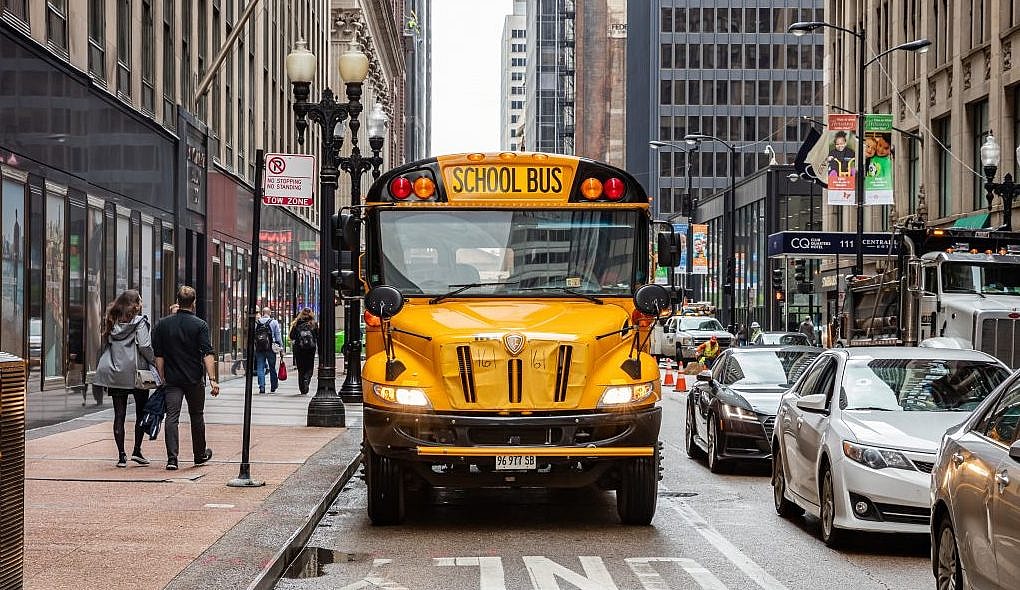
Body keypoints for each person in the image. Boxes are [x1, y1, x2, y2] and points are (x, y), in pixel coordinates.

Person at [151, 286, 219, 471]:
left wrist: (162, 376)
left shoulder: (163, 324)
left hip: (172, 379)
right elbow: (207, 352)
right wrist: (213, 378)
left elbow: (159, 355)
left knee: (171, 417)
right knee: (197, 416)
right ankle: (199, 455)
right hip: (194, 379)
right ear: (194, 303)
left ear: (178, 301)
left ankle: (172, 459)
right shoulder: (199, 325)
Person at [92, 289, 153, 468]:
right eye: (139, 301)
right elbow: (145, 345)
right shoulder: (139, 322)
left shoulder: (111, 321)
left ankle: (121, 456)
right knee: (141, 411)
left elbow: (104, 343)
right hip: (136, 373)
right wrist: (154, 363)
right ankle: (137, 450)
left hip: (115, 371)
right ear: (135, 304)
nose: (141, 304)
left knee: (119, 414)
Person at [289, 308, 319, 395]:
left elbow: (291, 336)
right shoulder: (313, 324)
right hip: (310, 349)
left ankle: (302, 388)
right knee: (309, 367)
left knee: (301, 369)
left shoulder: (296, 323)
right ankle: (307, 379)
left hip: (299, 349)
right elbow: (318, 337)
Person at [254, 307, 283, 394]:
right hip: (271, 348)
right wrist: (281, 348)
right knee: (272, 367)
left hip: (259, 348)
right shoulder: (274, 322)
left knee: (260, 367)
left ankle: (262, 387)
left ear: (262, 313)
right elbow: (278, 336)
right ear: (270, 313)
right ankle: (273, 386)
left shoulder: (257, 323)